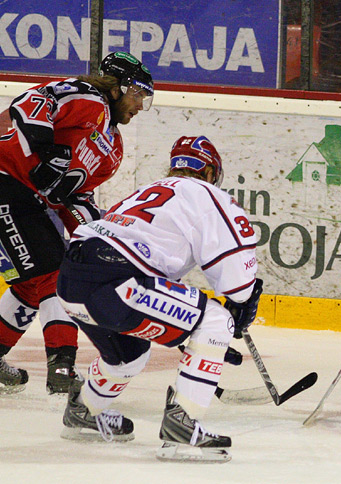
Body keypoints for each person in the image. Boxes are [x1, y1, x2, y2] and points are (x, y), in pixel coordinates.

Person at [56, 135, 261, 462]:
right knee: (216, 320)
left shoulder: (150, 190)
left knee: (128, 355)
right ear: (210, 172)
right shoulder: (211, 195)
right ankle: (183, 427)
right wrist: (240, 307)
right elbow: (236, 288)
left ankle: (85, 409)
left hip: (70, 279)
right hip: (117, 282)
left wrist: (190, 336)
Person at [0, 51, 154, 394]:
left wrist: (98, 238)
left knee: (32, 285)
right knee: (54, 274)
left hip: (28, 201)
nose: (141, 105)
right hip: (5, 179)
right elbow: (30, 102)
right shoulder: (88, 98)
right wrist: (43, 147)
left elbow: (76, 197)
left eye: (146, 97)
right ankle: (62, 369)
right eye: (138, 93)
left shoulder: (112, 149)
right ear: (118, 87)